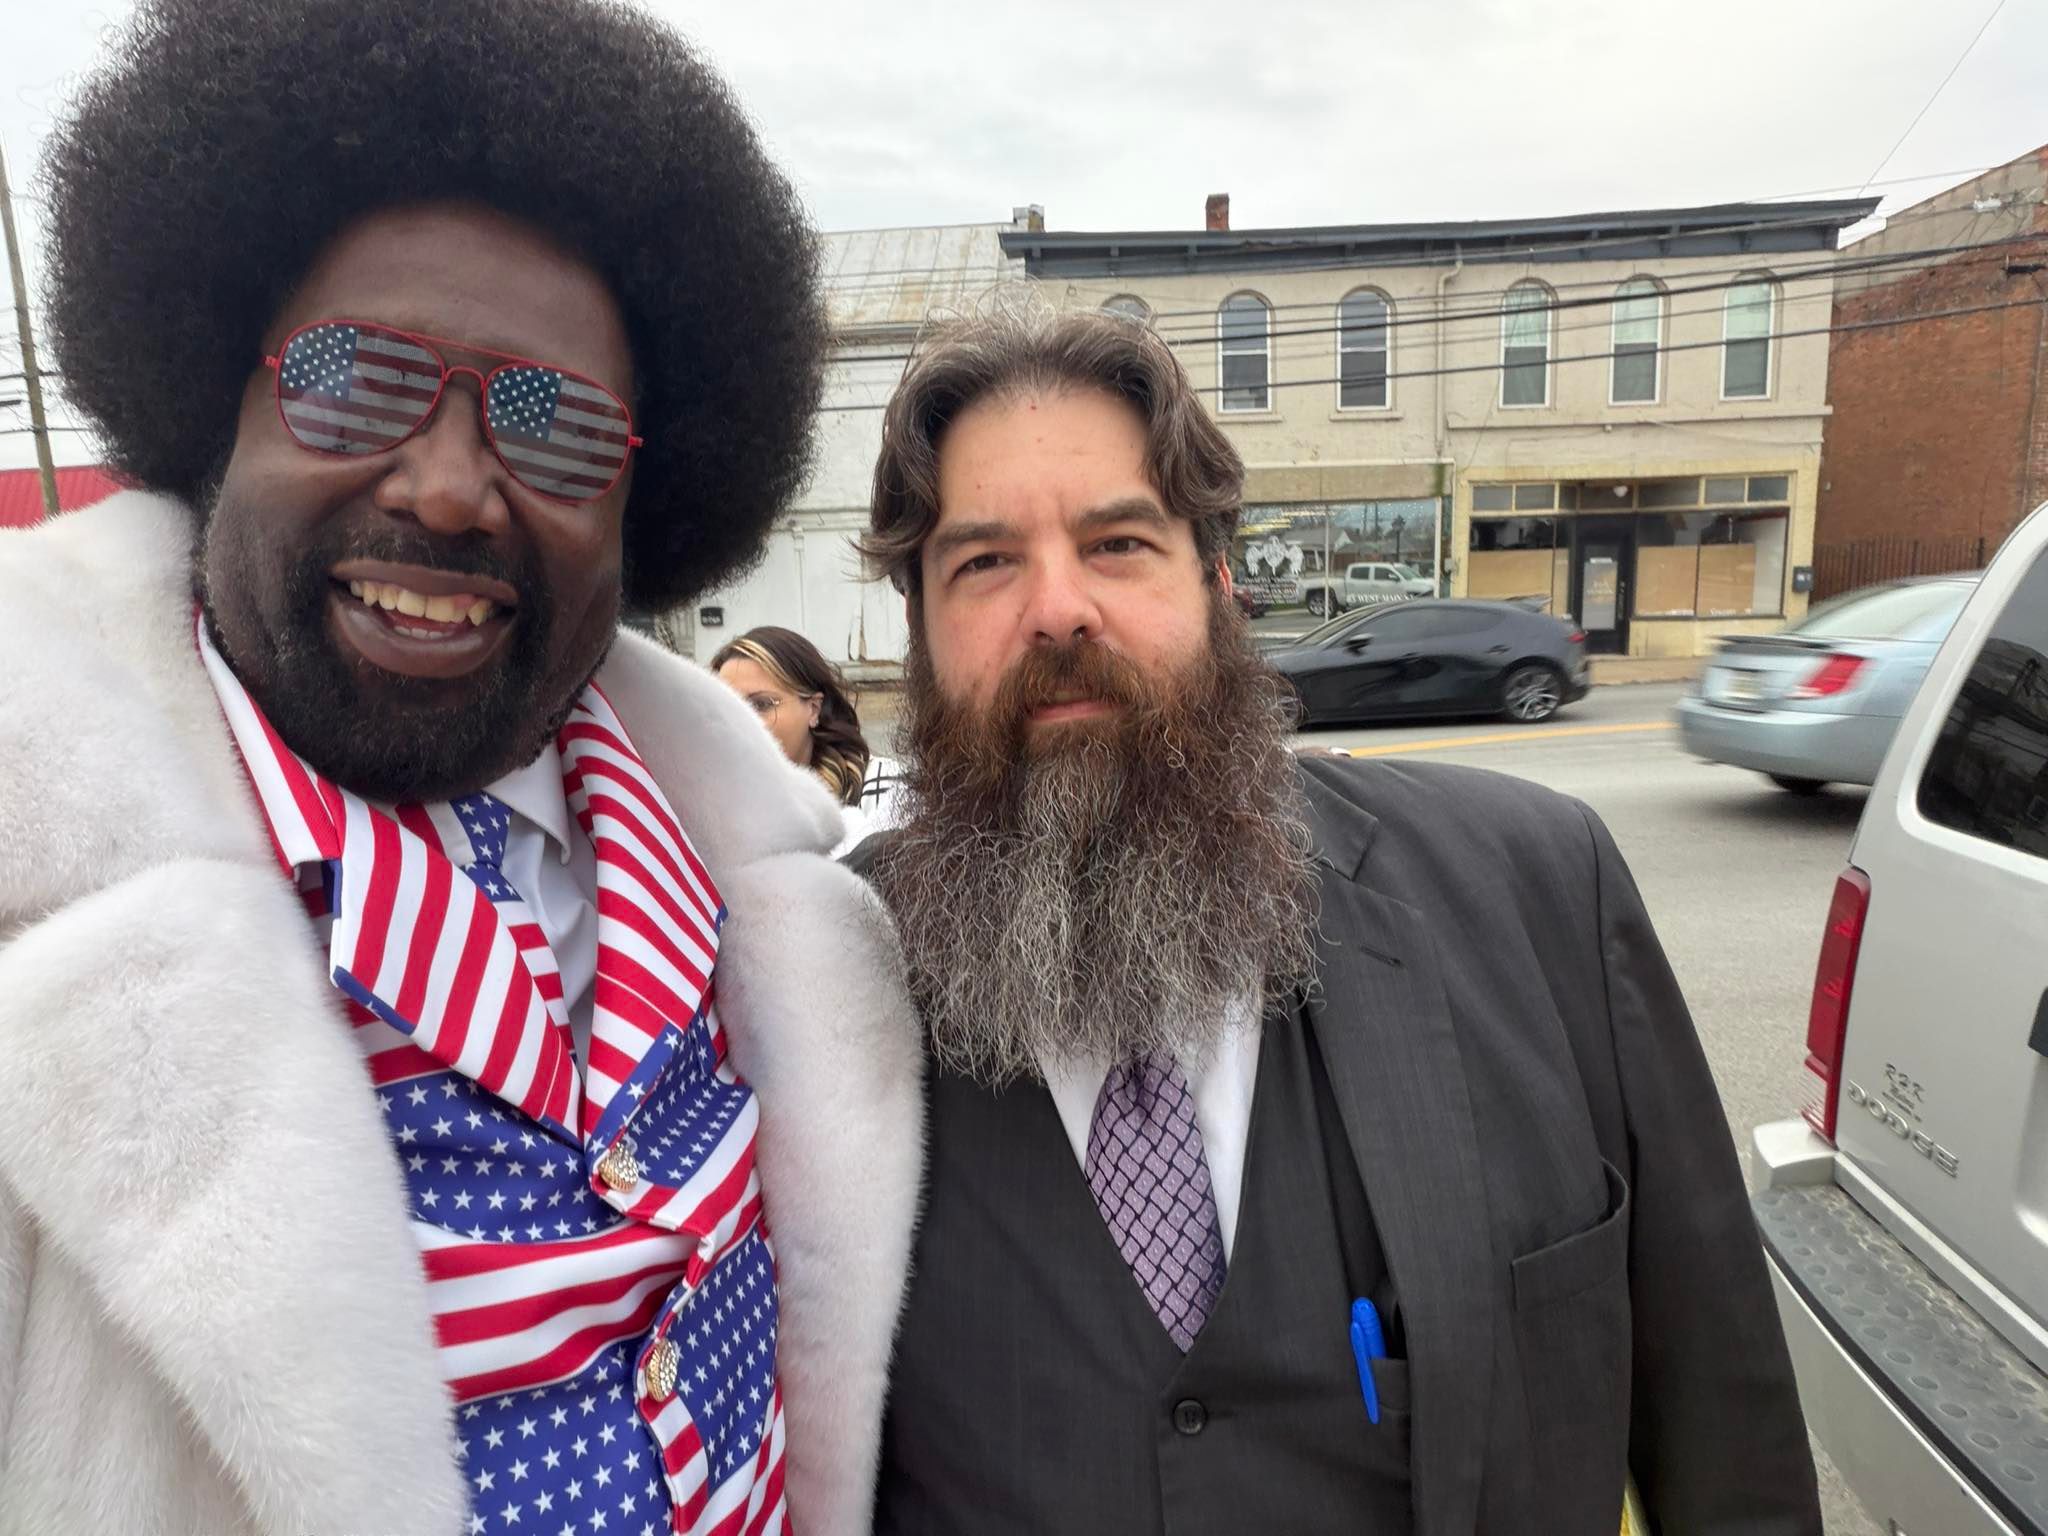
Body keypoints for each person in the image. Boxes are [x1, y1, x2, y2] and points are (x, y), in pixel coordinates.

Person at [0, 3, 924, 1532]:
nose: (445, 488)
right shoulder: (43, 923)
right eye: (354, 378)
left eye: (553, 426)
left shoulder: (756, 885)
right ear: (212, 405)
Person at [849, 307, 1822, 1535]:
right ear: (923, 641)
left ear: (1214, 589)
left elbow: (1725, 1445)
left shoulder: (1535, 889)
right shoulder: (827, 982)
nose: (1058, 608)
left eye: (1117, 542)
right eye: (982, 562)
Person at [711, 626, 898, 854]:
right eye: (726, 705)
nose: (738, 721)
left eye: (761, 704)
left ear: (813, 709)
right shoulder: (710, 812)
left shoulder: (886, 792)